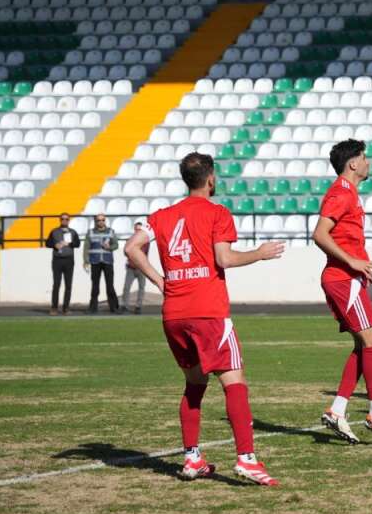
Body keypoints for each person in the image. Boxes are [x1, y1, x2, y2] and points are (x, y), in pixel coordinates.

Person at [122, 152, 285, 485]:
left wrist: (158, 280)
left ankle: (192, 458)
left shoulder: (162, 216)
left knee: (195, 384)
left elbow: (131, 247)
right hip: (208, 312)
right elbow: (223, 258)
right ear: (211, 179)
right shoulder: (217, 212)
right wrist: (259, 253)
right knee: (234, 383)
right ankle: (247, 459)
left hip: (174, 314)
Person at [314, 139, 372, 444]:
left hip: (347, 279)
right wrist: (353, 260)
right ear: (352, 163)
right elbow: (319, 234)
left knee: (362, 345)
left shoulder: (349, 193)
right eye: (364, 158)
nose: (368, 162)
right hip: (343, 279)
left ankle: (338, 409)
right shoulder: (341, 193)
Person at [83, 214, 120, 314]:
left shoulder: (111, 231)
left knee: (110, 286)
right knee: (95, 286)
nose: (101, 222)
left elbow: (116, 245)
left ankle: (114, 308)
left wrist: (109, 247)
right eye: (98, 220)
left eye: (103, 220)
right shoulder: (90, 232)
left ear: (105, 220)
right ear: (95, 221)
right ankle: (92, 308)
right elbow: (86, 248)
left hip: (108, 262)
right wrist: (86, 261)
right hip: (95, 262)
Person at [47, 213, 79, 315]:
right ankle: (54, 308)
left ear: (69, 220)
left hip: (69, 260)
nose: (64, 220)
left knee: (68, 285)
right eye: (62, 219)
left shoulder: (73, 232)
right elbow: (47, 243)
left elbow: (78, 244)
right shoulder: (54, 231)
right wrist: (54, 245)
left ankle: (66, 308)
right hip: (57, 260)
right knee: (56, 284)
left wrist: (69, 243)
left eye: (66, 219)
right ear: (59, 220)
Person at [120, 221, 149, 314]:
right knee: (126, 287)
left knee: (141, 288)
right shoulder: (130, 240)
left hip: (141, 268)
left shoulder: (146, 241)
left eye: (139, 230)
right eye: (136, 229)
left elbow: (144, 253)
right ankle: (125, 306)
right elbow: (126, 252)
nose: (137, 231)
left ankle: (138, 306)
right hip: (131, 267)